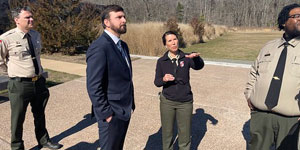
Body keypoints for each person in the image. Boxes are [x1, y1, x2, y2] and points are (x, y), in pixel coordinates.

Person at [0, 6, 62, 150]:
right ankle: (17, 147)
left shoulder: (36, 35)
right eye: (27, 17)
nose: (31, 19)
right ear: (17, 20)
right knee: (18, 118)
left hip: (38, 82)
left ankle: (44, 140)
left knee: (40, 114)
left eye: (31, 16)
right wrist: (12, 74)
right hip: (20, 85)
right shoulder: (6, 38)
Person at [244, 3, 300, 150]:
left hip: (291, 120)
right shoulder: (268, 47)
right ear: (283, 21)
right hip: (261, 116)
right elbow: (254, 72)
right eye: (296, 16)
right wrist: (249, 95)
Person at [86, 5, 135, 150]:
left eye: (124, 17)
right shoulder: (100, 47)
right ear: (107, 22)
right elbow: (93, 86)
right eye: (119, 17)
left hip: (124, 110)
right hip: (111, 113)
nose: (124, 20)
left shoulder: (123, 46)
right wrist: (107, 114)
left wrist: (130, 104)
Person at [154, 31, 204, 150]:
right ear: (165, 44)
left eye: (175, 39)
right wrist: (164, 79)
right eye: (170, 41)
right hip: (167, 102)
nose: (173, 42)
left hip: (185, 102)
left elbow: (199, 66)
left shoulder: (186, 57)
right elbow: (157, 82)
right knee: (167, 134)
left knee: (185, 135)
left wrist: (196, 58)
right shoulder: (161, 61)